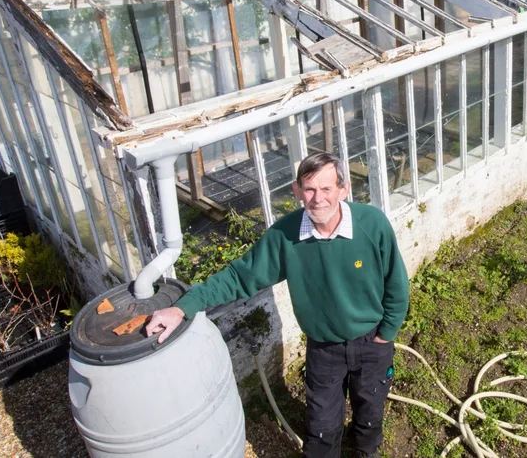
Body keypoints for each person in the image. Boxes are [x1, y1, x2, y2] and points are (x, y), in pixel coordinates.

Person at [145, 152, 409, 458]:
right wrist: (183, 307)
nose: (318, 199)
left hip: (371, 342)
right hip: (324, 348)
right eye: (309, 189)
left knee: (371, 409)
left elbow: (396, 283)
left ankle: (366, 451)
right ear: (297, 191)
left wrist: (386, 334)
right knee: (322, 424)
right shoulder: (285, 236)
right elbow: (238, 277)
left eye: (326, 189)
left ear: (343, 189)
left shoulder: (371, 224)